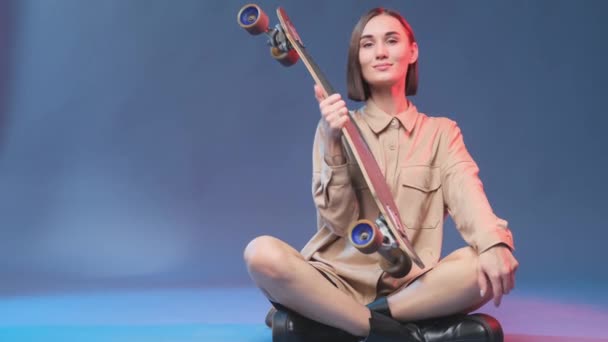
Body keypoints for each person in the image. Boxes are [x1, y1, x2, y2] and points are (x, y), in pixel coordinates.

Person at [244, 7, 518, 342]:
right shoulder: (335, 125)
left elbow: (468, 193)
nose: (381, 52)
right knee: (261, 254)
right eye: (368, 44)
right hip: (332, 280)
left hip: (410, 287)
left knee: (481, 266)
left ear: (412, 51)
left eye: (392, 40)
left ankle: (331, 322)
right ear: (357, 58)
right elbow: (339, 222)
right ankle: (405, 334)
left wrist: (493, 244)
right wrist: (333, 140)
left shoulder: (441, 133)